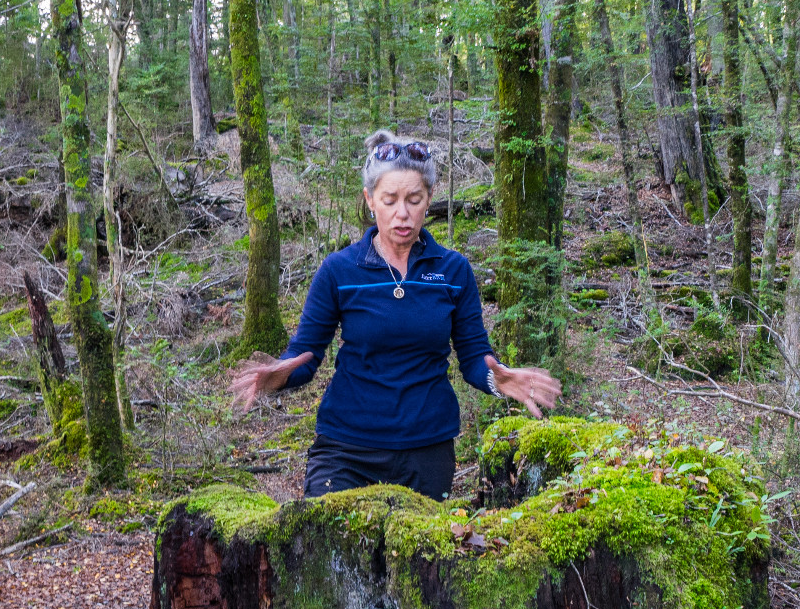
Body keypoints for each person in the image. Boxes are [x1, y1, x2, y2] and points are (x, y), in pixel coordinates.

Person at [231, 130, 562, 499]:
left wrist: (497, 381)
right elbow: (305, 357)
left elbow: (473, 358)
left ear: (429, 200)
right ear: (370, 200)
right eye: (389, 200)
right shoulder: (339, 271)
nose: (402, 213)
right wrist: (275, 377)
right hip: (345, 449)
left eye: (414, 199)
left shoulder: (453, 272)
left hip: (426, 450)